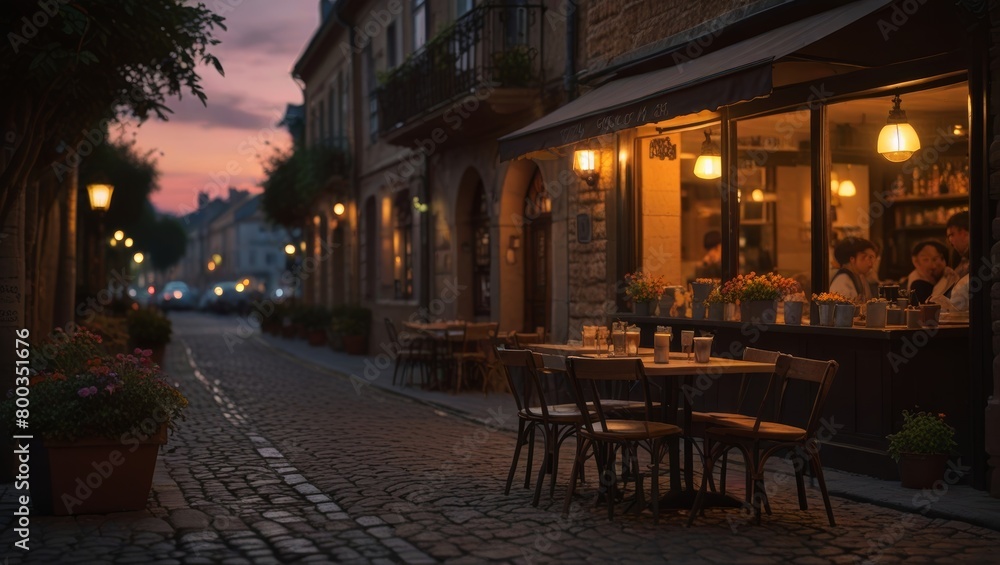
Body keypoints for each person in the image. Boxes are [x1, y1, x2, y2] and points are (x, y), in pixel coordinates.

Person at [906, 240, 957, 305]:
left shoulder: (950, 276)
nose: (932, 266)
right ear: (915, 261)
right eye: (925, 259)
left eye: (935, 259)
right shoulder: (918, 282)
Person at [829, 237, 877, 302]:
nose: (871, 262)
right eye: (868, 257)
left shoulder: (859, 277)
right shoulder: (842, 281)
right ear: (852, 259)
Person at [945, 210, 970, 278]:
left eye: (951, 235)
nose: (949, 241)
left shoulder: (976, 257)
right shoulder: (957, 257)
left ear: (963, 233)